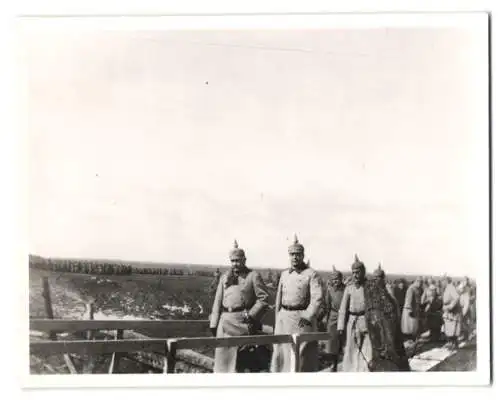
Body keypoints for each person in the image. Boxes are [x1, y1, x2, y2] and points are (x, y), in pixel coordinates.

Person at [337, 255, 409, 372]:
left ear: (363, 272)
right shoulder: (349, 288)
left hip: (367, 322)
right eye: (353, 272)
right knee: (351, 348)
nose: (355, 275)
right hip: (352, 322)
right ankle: (350, 370)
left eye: (358, 272)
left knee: (367, 348)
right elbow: (343, 309)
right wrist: (341, 326)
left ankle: (364, 370)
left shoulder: (370, 287)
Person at [209, 240, 270, 373]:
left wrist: (251, 315)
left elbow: (264, 299)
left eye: (238, 260)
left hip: (242, 323)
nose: (235, 264)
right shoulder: (225, 277)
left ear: (244, 260)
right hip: (224, 324)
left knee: (240, 363)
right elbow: (217, 301)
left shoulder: (253, 276)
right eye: (232, 261)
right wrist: (214, 324)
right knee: (222, 362)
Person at [270, 235, 324, 372]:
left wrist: (308, 316)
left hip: (301, 319)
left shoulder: (311, 274)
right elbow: (279, 298)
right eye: (292, 254)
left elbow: (317, 298)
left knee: (300, 354)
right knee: (281, 352)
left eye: (298, 254)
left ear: (303, 255)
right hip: (284, 318)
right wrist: (278, 317)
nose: (295, 257)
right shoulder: (284, 274)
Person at [321, 265, 346, 372]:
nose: (336, 281)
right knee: (332, 343)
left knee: (344, 342)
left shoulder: (346, 289)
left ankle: (345, 362)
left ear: (341, 279)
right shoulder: (329, 290)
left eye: (338, 279)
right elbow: (327, 305)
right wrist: (325, 319)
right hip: (333, 317)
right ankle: (333, 364)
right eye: (334, 279)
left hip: (345, 317)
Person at [442, 276, 462, 350]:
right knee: (449, 328)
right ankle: (452, 343)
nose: (442, 283)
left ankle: (454, 343)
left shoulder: (451, 288)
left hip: (453, 312)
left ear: (446, 281)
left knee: (453, 328)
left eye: (443, 281)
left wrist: (450, 306)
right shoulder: (447, 288)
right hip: (449, 312)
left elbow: (456, 298)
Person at [401, 277, 423, 342]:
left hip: (415, 309)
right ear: (416, 281)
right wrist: (410, 310)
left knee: (414, 326)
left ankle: (412, 339)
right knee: (410, 326)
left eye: (421, 282)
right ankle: (409, 340)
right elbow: (408, 300)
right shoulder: (411, 289)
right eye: (419, 282)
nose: (420, 284)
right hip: (410, 310)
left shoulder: (418, 289)